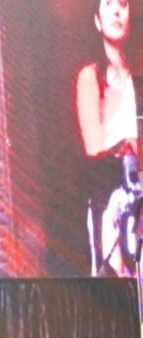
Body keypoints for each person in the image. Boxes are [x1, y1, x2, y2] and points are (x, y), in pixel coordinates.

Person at [76, 0, 140, 277]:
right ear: (97, 20)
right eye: (109, 4)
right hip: (112, 199)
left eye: (123, 4)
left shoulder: (138, 76)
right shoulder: (90, 77)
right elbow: (94, 147)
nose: (117, 11)